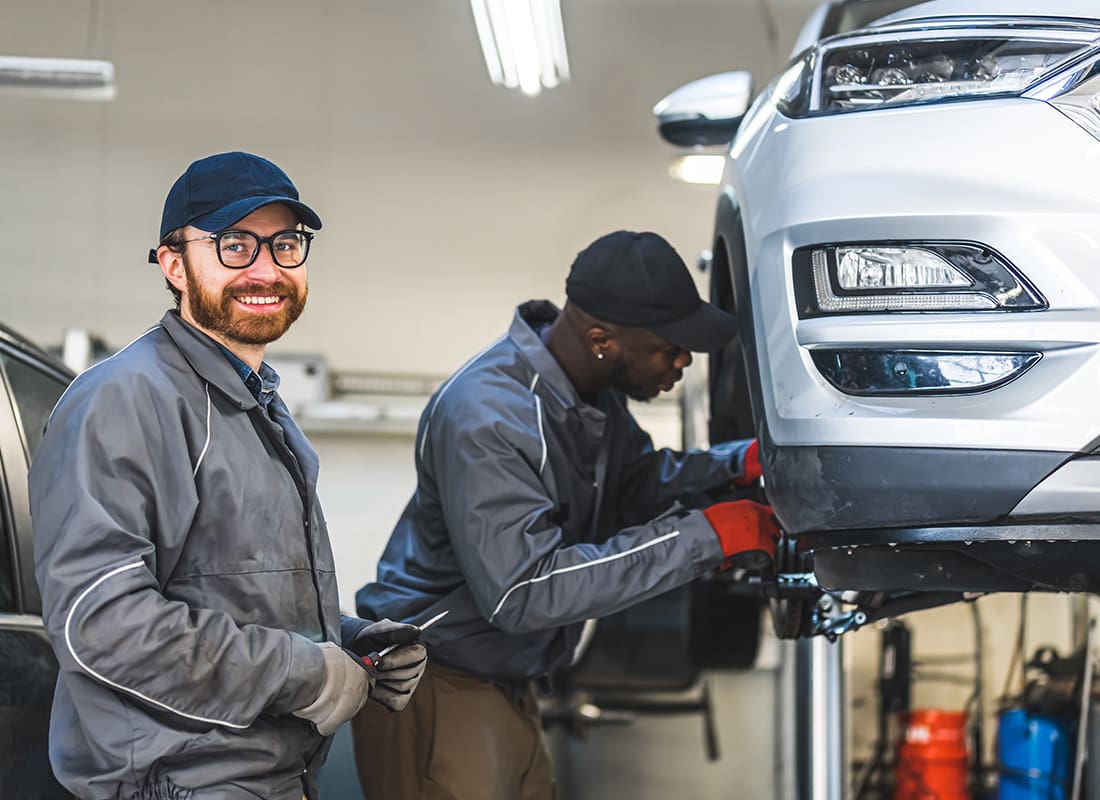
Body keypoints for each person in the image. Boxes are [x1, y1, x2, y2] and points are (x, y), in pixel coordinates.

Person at [30, 151, 428, 800]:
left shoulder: (259, 409)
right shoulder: (126, 400)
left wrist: (352, 643)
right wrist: (312, 675)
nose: (266, 268)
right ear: (173, 263)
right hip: (174, 786)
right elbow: (101, 620)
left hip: (269, 779)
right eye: (234, 245)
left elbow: (229, 595)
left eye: (286, 244)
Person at [351, 229, 781, 799]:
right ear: (602, 338)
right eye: (669, 346)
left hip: (505, 682)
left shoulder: (590, 394)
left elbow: (634, 484)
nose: (683, 361)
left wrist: (736, 464)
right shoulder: (490, 416)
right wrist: (708, 537)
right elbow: (521, 591)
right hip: (435, 683)